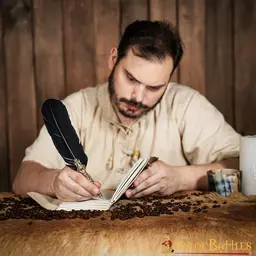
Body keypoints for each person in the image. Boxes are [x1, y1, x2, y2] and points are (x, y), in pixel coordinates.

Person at [12, 20, 240, 202]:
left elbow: (243, 165)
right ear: (113, 60)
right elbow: (23, 179)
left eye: (154, 87)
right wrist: (53, 182)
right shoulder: (76, 107)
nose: (138, 97)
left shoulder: (186, 104)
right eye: (131, 79)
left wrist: (182, 178)